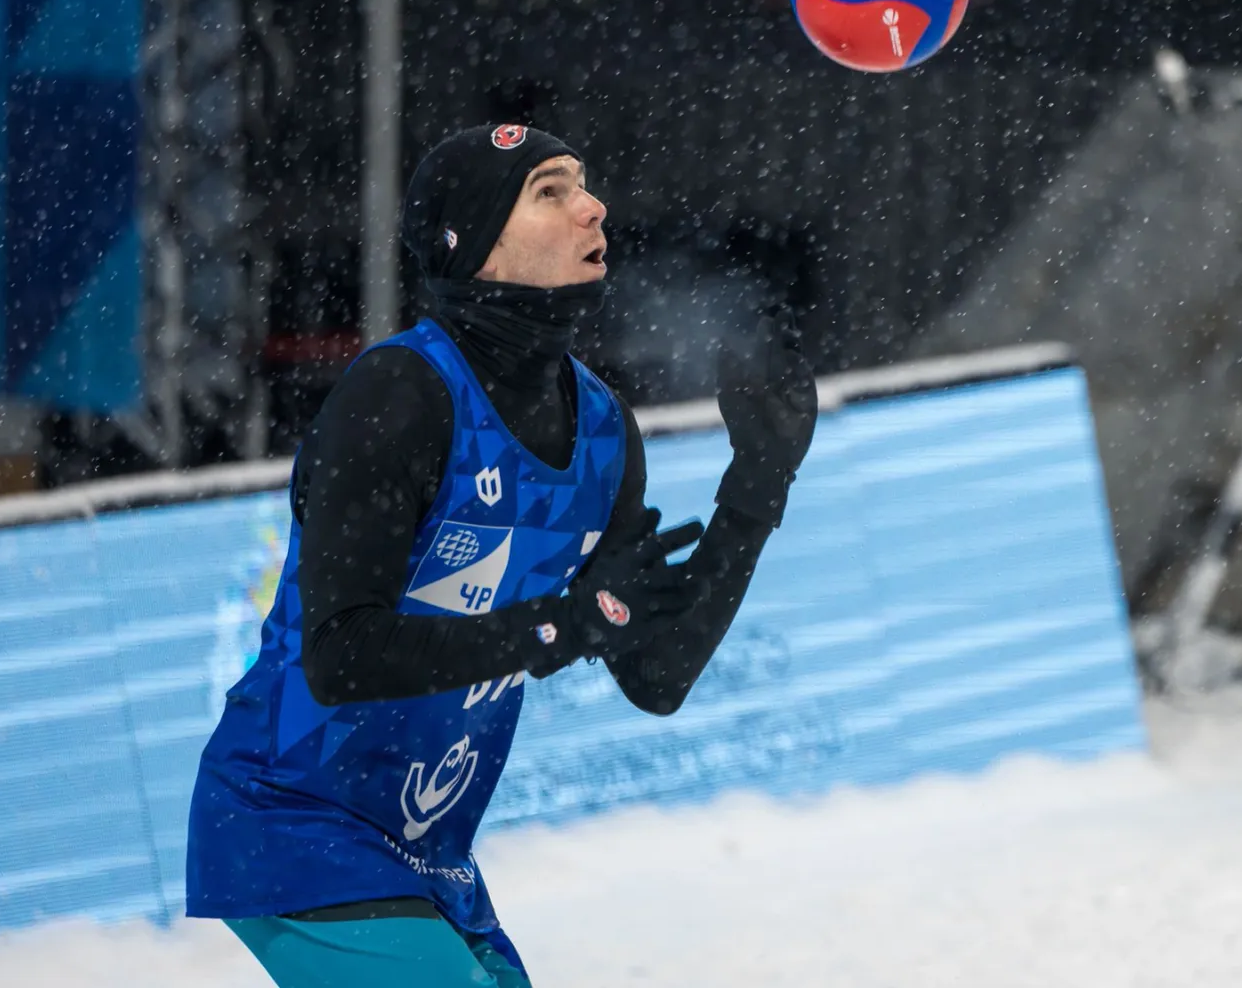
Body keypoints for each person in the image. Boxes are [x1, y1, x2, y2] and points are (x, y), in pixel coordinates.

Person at [185, 123, 818, 987]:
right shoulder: (399, 393)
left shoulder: (602, 431)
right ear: (473, 244)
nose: (592, 205)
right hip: (289, 814)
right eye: (550, 191)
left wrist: (757, 488)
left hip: (426, 853)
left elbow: (657, 675)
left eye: (583, 184)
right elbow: (341, 656)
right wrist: (566, 624)